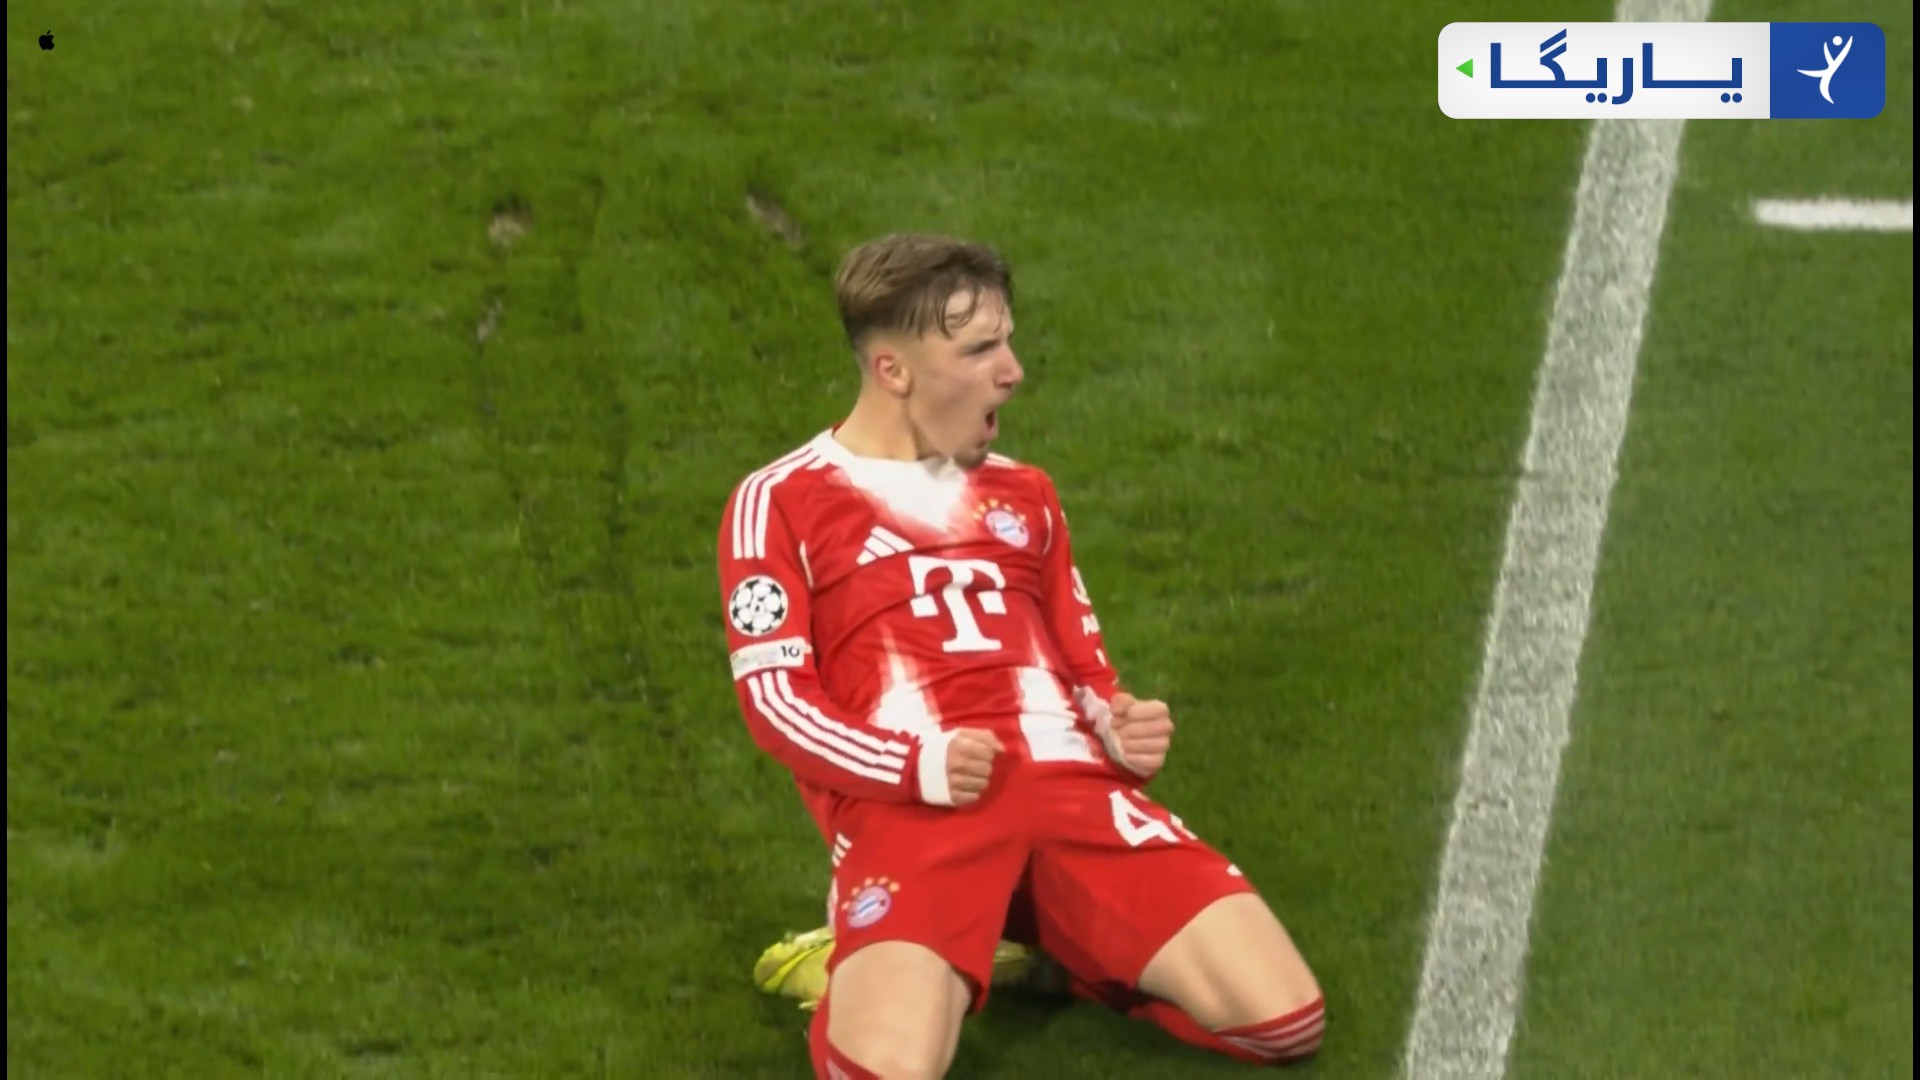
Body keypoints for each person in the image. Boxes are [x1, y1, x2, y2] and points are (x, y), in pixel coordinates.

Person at [715, 233, 1324, 1078]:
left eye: (1007, 341)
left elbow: (1086, 671)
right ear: (893, 371)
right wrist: (917, 766)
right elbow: (778, 705)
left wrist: (1118, 726)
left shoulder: (1026, 494)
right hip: (917, 815)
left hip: (1073, 799)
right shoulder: (780, 501)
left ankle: (1044, 948)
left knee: (1286, 1023)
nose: (1013, 372)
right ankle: (855, 954)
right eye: (979, 351)